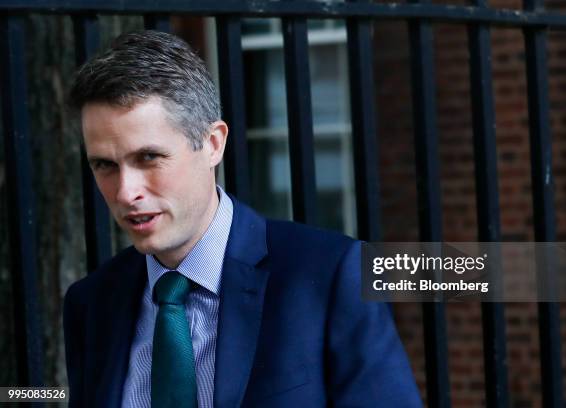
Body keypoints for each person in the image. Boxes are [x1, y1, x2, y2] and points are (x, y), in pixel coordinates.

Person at [63, 30, 422, 408]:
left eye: (148, 158)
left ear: (213, 143)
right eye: (104, 165)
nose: (125, 192)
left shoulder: (329, 276)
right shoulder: (91, 304)